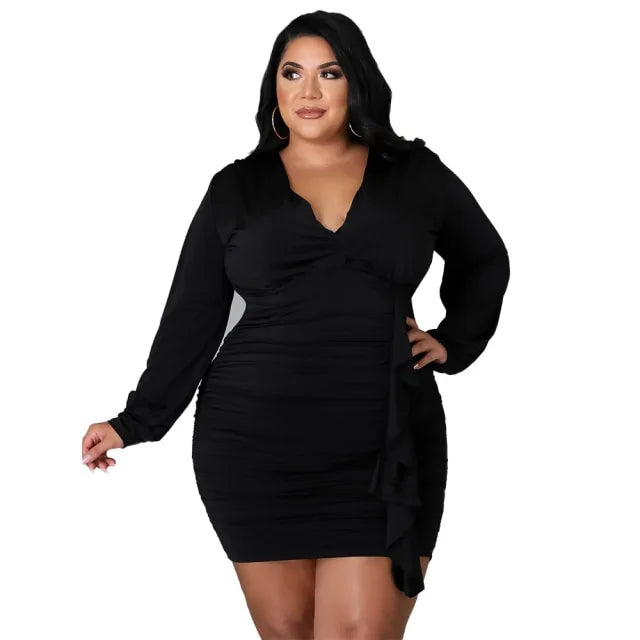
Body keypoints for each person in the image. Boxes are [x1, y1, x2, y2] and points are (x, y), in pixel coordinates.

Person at [81, 10, 510, 639]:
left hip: (384, 439)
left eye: (329, 73)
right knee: (290, 633)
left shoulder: (414, 175)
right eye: (292, 73)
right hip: (255, 443)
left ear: (356, 82)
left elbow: (485, 258)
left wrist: (452, 340)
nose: (309, 91)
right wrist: (134, 422)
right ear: (274, 87)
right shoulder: (235, 188)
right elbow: (192, 317)